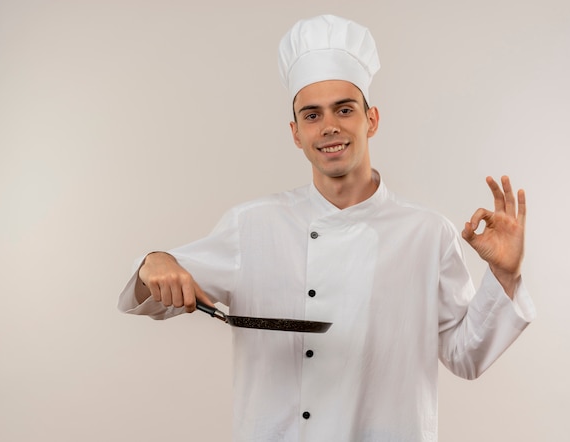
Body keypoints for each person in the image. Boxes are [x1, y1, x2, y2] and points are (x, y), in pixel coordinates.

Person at [118, 14, 535, 442]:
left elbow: (466, 356)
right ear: (296, 133)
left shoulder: (427, 232)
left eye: (344, 109)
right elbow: (161, 287)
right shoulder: (254, 224)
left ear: (371, 119)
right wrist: (155, 261)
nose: (329, 126)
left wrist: (505, 275)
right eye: (312, 115)